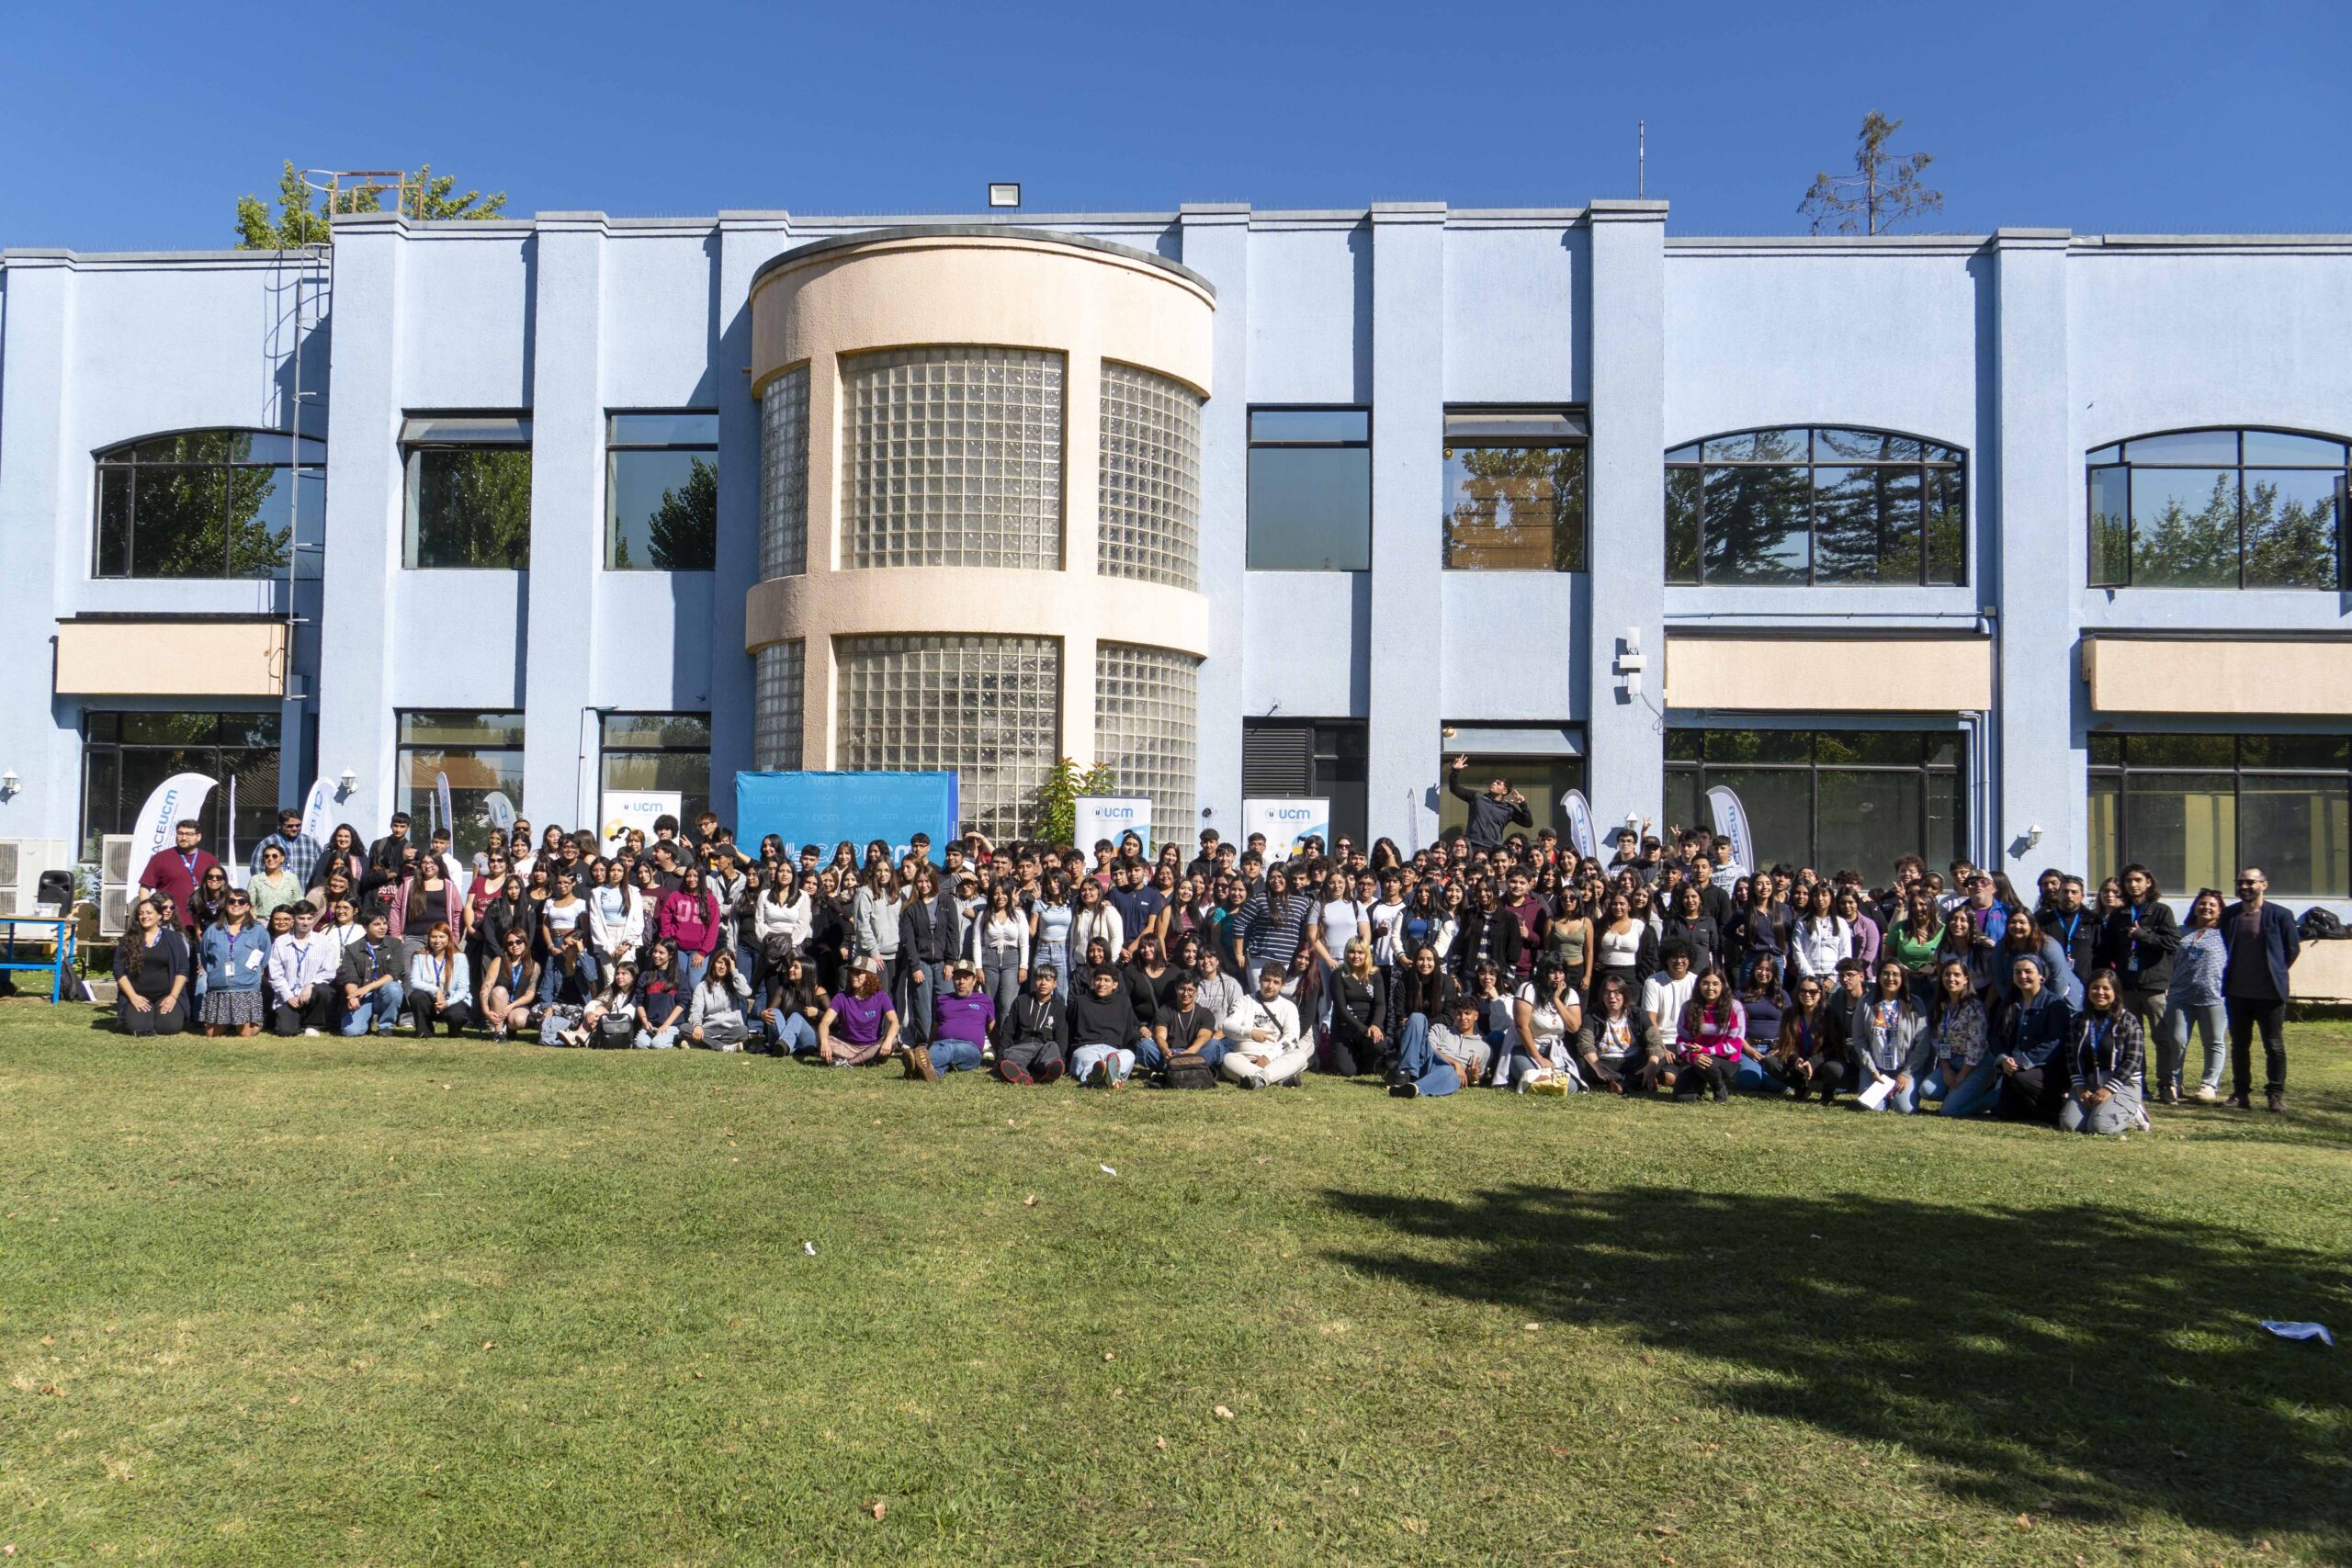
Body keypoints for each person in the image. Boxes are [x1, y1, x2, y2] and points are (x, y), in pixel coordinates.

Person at [2220, 865, 2301, 1113]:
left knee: (2274, 1045)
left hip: (2270, 994)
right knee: (2239, 1045)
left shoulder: (2281, 915)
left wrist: (2275, 971)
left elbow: (2292, 949)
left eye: (2250, 882)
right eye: (2240, 882)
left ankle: (2275, 1095)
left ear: (2264, 885)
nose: (2244, 887)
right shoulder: (2230, 915)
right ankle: (2240, 1093)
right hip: (2237, 992)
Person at [1980, 953, 2075, 1123]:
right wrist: (2003, 1059)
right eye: (2017, 972)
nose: (2023, 976)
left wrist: (2023, 1061)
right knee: (2006, 1114)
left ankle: (2055, 1110)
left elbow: (2055, 1042)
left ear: (2041, 975)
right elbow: (1994, 1037)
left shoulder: (2055, 1005)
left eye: (2028, 972)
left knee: (2021, 1078)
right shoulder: (2009, 1003)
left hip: (2046, 1068)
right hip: (2013, 1066)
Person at [2159, 888, 2229, 1105]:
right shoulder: (2181, 931)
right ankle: (2174, 1083)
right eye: (2202, 903)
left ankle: (2209, 1085)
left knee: (2213, 1042)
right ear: (2195, 907)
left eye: (2212, 905)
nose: (2206, 907)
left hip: (2213, 996)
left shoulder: (2225, 933)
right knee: (2177, 1040)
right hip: (2180, 995)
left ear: (2219, 911)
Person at [2061, 968, 2148, 1135]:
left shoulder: (2128, 1021)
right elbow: (2071, 1057)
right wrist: (2079, 1087)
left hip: (2122, 1083)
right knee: (2070, 1125)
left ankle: (2135, 1112)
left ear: (2115, 992)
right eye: (2095, 987)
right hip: (2089, 1081)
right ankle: (2102, 1110)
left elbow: (2133, 1060)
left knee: (2100, 1127)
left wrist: (2109, 1089)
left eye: (2106, 988)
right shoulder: (2078, 1020)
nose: (2100, 992)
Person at [2102, 863, 2178, 1038]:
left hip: (2153, 985)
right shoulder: (2118, 914)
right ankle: (2136, 1067)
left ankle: (2166, 1067)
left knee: (2162, 1037)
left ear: (2148, 882)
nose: (2133, 884)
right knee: (2131, 1036)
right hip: (2127, 984)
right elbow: (2109, 948)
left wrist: (2143, 936)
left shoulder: (2162, 911)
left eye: (2138, 880)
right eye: (2128, 880)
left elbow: (2173, 942)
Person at [1498, 955, 1584, 1092]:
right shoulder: (1528, 989)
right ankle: (1515, 1075)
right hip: (1525, 1048)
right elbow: (1522, 1027)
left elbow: (1573, 1027)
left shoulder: (1570, 994)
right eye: (1552, 972)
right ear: (1543, 973)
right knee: (1533, 1079)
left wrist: (1556, 999)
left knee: (1571, 1087)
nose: (1557, 977)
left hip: (1553, 1050)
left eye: (1561, 972)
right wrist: (1539, 1059)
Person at [1220, 965, 1312, 1089]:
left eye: (1276, 982)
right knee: (1228, 1060)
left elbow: (1292, 1037)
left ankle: (1261, 1079)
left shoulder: (1289, 1006)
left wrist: (1268, 1057)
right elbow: (1227, 1026)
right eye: (1267, 980)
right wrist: (1250, 1032)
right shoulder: (1244, 1001)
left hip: (1275, 1058)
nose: (1270, 986)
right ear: (1259, 979)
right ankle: (1278, 1079)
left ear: (1282, 985)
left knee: (1300, 1056)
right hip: (1245, 1057)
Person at [195, 887, 269, 1038]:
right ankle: (230, 1021)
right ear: (226, 904)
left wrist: (252, 972)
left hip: (245, 988)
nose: (236, 904)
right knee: (212, 1034)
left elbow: (264, 955)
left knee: (246, 1034)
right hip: (219, 987)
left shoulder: (258, 930)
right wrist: (214, 971)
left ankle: (259, 1020)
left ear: (248, 906)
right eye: (232, 901)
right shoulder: (213, 930)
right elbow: (205, 955)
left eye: (241, 901)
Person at [1917, 957, 1989, 1108]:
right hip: (1952, 1060)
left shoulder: (1974, 1006)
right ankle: (1960, 1095)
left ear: (1965, 979)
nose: (1951, 979)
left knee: (1949, 1110)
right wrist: (1946, 1070)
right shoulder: (1941, 1005)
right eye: (1947, 974)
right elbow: (1939, 1041)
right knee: (1927, 1091)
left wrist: (1961, 1076)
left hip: (1975, 1063)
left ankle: (1992, 1099)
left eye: (1957, 975)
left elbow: (1976, 1047)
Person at [1574, 971, 1662, 1094]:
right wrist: (1600, 1070)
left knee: (1657, 1058)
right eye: (1607, 993)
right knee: (1583, 1064)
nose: (1612, 997)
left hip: (1631, 1060)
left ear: (1625, 995)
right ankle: (1631, 1082)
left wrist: (1651, 1067)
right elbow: (1585, 1043)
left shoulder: (1637, 1013)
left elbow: (1655, 1040)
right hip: (1603, 1060)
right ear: (1602, 996)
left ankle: (1619, 1082)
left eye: (1617, 993)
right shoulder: (1592, 1014)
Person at [114, 897, 190, 1035]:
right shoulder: (128, 939)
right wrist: (133, 997)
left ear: (159, 915)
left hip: (166, 995)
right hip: (139, 995)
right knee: (139, 1028)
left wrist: (173, 996)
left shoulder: (173, 938)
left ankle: (164, 1015)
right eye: (141, 913)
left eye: (149, 913)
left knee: (169, 1027)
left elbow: (183, 969)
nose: (144, 916)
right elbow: (118, 970)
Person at [1668, 966, 1745, 1104]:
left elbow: (1735, 1043)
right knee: (1682, 1099)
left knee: (1707, 1063)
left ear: (1723, 986)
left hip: (1724, 1059)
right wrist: (1693, 1057)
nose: (1710, 988)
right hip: (1696, 1058)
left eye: (1715, 984)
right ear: (1698, 986)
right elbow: (1682, 1040)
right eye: (1705, 983)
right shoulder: (1688, 1007)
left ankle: (1718, 1086)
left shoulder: (1735, 1007)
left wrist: (1706, 1051)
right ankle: (1700, 1084)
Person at [1389, 994, 1490, 1098]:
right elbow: (1429, 1048)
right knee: (1417, 1017)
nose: (1463, 1018)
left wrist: (1474, 1079)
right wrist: (1456, 1063)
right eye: (1459, 1014)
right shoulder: (1441, 1029)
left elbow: (1477, 1080)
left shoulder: (1484, 1047)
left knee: (1449, 1072)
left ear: (1476, 1016)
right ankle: (1404, 1074)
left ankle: (1414, 1088)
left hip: (1447, 1075)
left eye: (1467, 1014)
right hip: (1427, 1064)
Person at [914, 959, 996, 1080]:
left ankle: (918, 1067)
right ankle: (932, 1073)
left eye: (966, 978)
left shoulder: (984, 1000)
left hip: (970, 1049)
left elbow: (992, 1030)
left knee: (950, 1050)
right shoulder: (943, 999)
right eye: (957, 978)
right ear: (952, 979)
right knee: (942, 1052)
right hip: (940, 1044)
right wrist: (928, 1048)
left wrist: (1000, 1058)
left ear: (974, 981)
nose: (961, 982)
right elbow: (935, 1028)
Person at [136, 819, 220, 935]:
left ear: (198, 836)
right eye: (180, 833)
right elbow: (145, 887)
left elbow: (220, 889)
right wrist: (148, 913)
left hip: (203, 922)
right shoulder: (161, 858)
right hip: (169, 922)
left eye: (189, 834)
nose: (184, 837)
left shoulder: (210, 860)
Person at [266, 901, 339, 1036]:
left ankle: (313, 1024)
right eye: (301, 918)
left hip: (311, 994)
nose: (305, 923)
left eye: (309, 918)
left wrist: (310, 985)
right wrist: (288, 996)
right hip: (288, 995)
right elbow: (275, 975)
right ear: (294, 919)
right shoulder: (281, 942)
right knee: (286, 1031)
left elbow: (328, 971)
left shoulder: (324, 942)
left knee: (323, 989)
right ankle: (297, 1020)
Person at [1069, 963, 1147, 1088]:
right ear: (1093, 982)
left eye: (1107, 980)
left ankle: (1110, 1073)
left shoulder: (1123, 1002)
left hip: (1113, 1051)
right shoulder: (1080, 1002)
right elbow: (1071, 1030)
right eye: (1098, 979)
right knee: (1088, 1061)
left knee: (1129, 1055)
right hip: (1086, 1048)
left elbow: (1127, 1034)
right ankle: (1097, 1076)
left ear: (1115, 984)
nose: (1102, 984)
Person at [1326, 938, 1390, 1077]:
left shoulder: (1375, 975)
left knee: (1378, 1046)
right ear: (1346, 953)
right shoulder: (1338, 975)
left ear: (1367, 954)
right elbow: (1340, 1008)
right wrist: (1363, 1030)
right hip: (1346, 1031)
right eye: (1352, 952)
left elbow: (1380, 1004)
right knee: (1347, 1072)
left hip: (1369, 1028)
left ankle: (1367, 1062)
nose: (1356, 956)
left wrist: (1375, 1025)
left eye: (1360, 952)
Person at [818, 957, 899, 1067]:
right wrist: (824, 1043)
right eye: (852, 972)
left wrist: (888, 1041)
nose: (854, 976)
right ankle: (865, 1060)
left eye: (859, 972)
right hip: (848, 1046)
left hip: (872, 1046)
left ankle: (849, 1063)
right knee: (824, 1039)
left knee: (893, 1040)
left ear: (871, 976)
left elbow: (894, 1022)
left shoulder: (881, 997)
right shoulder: (841, 997)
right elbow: (825, 1023)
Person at [337, 910, 406, 1036]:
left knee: (394, 988)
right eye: (377, 924)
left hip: (384, 993)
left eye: (385, 923)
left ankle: (385, 1026)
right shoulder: (352, 948)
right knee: (351, 1032)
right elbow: (349, 977)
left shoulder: (395, 944)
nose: (382, 927)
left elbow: (393, 973)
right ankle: (366, 1021)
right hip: (363, 997)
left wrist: (367, 988)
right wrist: (353, 996)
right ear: (365, 927)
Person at [998, 966, 1071, 1085]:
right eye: (1039, 979)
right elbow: (1008, 1032)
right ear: (1034, 981)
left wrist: (1061, 1062)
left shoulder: (1060, 1008)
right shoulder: (1021, 1001)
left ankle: (1050, 1071)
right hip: (1021, 1048)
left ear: (1055, 984)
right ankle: (1021, 1075)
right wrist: (998, 1061)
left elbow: (1062, 1038)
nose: (1043, 983)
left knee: (1053, 1047)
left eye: (1048, 979)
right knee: (1010, 1054)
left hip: (1043, 1050)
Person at [1447, 756, 1533, 850]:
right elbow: (1455, 789)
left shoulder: (1508, 809)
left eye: (1498, 783)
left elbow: (1528, 823)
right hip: (1472, 844)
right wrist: (1455, 771)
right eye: (1494, 782)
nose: (1494, 783)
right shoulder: (1477, 797)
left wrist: (1523, 805)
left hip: (1492, 847)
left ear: (1504, 791)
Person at [405, 921, 473, 1037]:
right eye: (433, 937)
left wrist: (447, 1003)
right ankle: (424, 1031)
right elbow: (414, 982)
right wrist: (436, 990)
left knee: (456, 1014)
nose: (437, 941)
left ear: (449, 938)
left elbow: (463, 989)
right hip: (431, 1001)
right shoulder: (420, 956)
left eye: (442, 937)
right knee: (416, 996)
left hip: (453, 1001)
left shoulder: (460, 958)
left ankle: (455, 1031)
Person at [1154, 972, 1225, 1077]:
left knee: (1214, 1045)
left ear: (1196, 992)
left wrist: (1190, 1052)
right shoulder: (1165, 1010)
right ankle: (1194, 1069)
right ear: (1176, 989)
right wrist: (1165, 1051)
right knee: (1144, 1045)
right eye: (1182, 989)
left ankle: (1173, 1070)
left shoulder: (1205, 1013)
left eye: (1190, 990)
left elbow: (1203, 1037)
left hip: (1196, 1053)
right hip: (1171, 1054)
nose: (1186, 994)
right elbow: (1160, 1036)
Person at [685, 949, 756, 1052]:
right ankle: (725, 1047)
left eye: (727, 964)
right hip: (708, 1029)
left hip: (731, 1030)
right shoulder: (702, 987)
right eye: (719, 962)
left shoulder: (736, 983)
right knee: (685, 1029)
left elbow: (746, 993)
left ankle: (702, 1043)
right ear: (713, 963)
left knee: (743, 1031)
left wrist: (734, 971)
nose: (722, 967)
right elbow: (696, 1010)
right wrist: (697, 1026)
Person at [480, 928, 542, 1043]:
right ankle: (498, 1033)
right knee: (499, 991)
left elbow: (530, 994)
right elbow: (486, 988)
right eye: (510, 943)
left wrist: (512, 1006)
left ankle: (510, 1028)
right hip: (498, 1002)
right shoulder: (498, 961)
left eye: (519, 941)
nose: (515, 945)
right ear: (506, 946)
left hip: (517, 1005)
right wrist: (485, 1010)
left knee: (519, 1020)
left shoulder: (535, 966)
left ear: (525, 943)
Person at [632, 945, 685, 1050]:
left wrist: (665, 1025)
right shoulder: (646, 975)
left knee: (657, 1045)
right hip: (651, 1025)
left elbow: (682, 1003)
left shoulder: (680, 975)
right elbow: (640, 1003)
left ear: (670, 955)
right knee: (640, 1044)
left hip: (671, 1025)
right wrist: (645, 1022)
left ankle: (679, 1040)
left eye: (661, 953)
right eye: (655, 951)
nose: (656, 955)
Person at [246, 840, 304, 925]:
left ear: (282, 858)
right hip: (263, 923)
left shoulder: (292, 878)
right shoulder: (256, 879)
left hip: (286, 923)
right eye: (267, 856)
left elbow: (298, 902)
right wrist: (255, 923)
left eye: (274, 856)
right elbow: (250, 906)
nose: (270, 859)